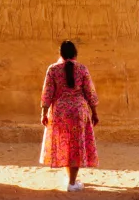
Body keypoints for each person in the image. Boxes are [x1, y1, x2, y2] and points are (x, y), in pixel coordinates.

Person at [40, 40, 99, 191]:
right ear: (75, 54)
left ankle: (71, 179)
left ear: (60, 54)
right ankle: (72, 183)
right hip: (79, 111)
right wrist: (94, 112)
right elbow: (89, 92)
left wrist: (44, 112)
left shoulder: (53, 69)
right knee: (76, 145)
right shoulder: (82, 69)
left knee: (66, 144)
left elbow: (47, 93)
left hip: (61, 111)